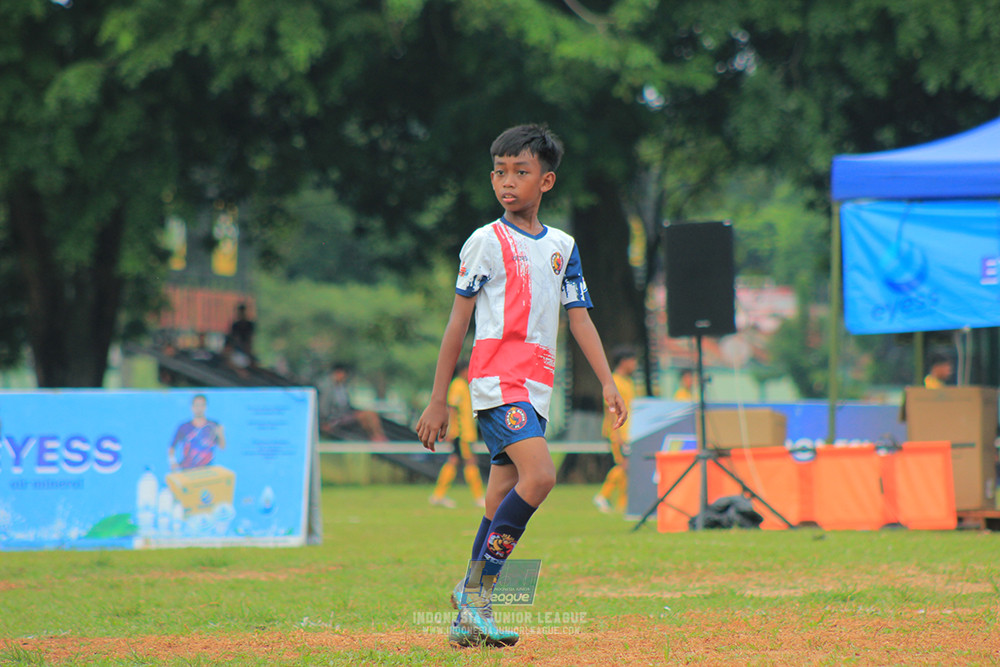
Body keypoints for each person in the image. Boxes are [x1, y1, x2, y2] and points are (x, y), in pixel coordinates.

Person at [416, 124, 626, 648]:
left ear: (546, 181)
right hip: (495, 382)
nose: (508, 182)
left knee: (499, 500)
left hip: (536, 388)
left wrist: (607, 381)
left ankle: (469, 622)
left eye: (521, 172)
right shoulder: (484, 242)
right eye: (500, 173)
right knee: (542, 476)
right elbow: (456, 324)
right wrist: (439, 398)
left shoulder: (563, 247)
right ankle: (476, 591)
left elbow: (579, 319)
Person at [429, 360, 487, 509]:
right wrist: (451, 430)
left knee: (453, 461)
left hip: (465, 433)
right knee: (470, 461)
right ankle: (479, 497)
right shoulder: (458, 385)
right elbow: (452, 408)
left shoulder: (464, 385)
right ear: (463, 370)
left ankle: (438, 495)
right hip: (462, 434)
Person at [593, 346, 637, 514]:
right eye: (632, 361)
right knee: (623, 466)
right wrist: (616, 434)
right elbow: (610, 411)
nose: (634, 365)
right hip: (619, 432)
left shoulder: (628, 382)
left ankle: (623, 504)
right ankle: (603, 495)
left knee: (628, 469)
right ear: (624, 362)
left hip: (629, 431)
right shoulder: (615, 382)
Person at [317, 363, 388, 442]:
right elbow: (323, 407)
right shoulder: (327, 388)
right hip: (334, 419)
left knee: (370, 414)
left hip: (344, 415)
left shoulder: (342, 387)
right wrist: (324, 422)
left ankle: (376, 436)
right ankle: (377, 437)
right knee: (366, 415)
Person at [168, 394, 226, 470]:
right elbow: (172, 447)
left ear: (205, 407)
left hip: (207, 470)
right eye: (196, 405)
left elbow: (222, 447)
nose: (199, 408)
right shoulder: (183, 427)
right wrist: (172, 462)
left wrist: (221, 434)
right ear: (192, 407)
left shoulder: (213, 425)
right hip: (187, 469)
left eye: (202, 405)